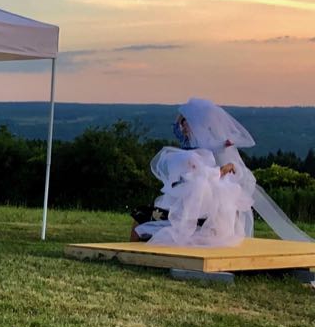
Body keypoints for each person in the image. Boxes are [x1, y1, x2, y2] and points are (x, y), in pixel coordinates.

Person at [133, 98, 311, 245]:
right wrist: (188, 111)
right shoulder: (188, 140)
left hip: (197, 189)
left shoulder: (205, 145)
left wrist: (223, 157)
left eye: (187, 124)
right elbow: (176, 127)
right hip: (185, 186)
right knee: (156, 212)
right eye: (184, 124)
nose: (184, 127)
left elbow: (209, 164)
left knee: (167, 214)